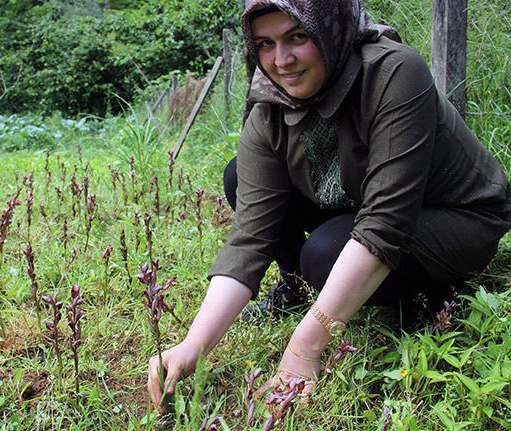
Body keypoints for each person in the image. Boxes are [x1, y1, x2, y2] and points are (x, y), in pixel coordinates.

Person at [147, 0, 511, 415]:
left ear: (328, 28)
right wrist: (194, 345)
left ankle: (431, 293)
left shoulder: (393, 71)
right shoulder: (269, 103)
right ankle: (302, 287)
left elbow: (386, 222)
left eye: (297, 36)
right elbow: (249, 238)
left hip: (457, 214)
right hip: (362, 199)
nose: (281, 60)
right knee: (239, 177)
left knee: (323, 255)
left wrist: (305, 347)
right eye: (265, 43)